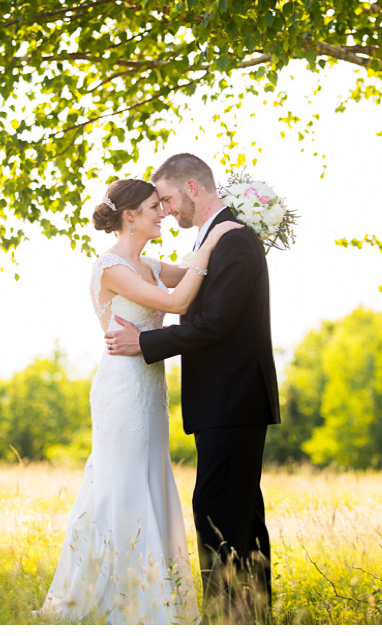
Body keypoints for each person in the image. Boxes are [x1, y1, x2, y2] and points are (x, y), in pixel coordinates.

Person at [38, 178, 242, 625]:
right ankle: (119, 597)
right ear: (130, 215)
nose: (163, 213)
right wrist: (212, 244)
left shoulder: (147, 263)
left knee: (150, 479)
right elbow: (177, 298)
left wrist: (227, 233)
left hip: (150, 390)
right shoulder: (112, 266)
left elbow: (194, 279)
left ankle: (155, 592)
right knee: (122, 482)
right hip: (122, 389)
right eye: (155, 206)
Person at [106, 153, 281, 624]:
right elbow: (190, 301)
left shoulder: (234, 241)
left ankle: (227, 617)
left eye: (166, 199)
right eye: (155, 204)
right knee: (238, 508)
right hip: (226, 397)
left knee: (218, 507)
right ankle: (251, 614)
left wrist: (144, 342)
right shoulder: (217, 240)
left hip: (233, 396)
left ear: (192, 188)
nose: (165, 210)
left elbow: (216, 324)